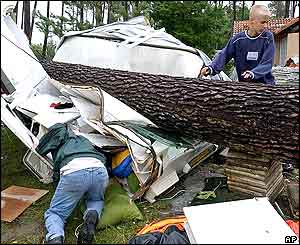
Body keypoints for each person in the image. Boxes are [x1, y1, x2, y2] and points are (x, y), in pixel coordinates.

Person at [35, 123, 109, 244]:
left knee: (55, 213)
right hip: (99, 169)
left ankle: (55, 237)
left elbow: (42, 151)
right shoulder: (83, 139)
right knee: (96, 200)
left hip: (74, 172)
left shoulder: (57, 142)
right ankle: (91, 219)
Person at [200, 5, 275, 85]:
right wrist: (211, 68)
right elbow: (224, 55)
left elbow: (267, 63)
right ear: (251, 21)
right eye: (263, 22)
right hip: (244, 86)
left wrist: (252, 74)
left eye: (267, 22)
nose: (266, 26)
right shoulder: (238, 39)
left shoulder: (268, 37)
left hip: (266, 86)